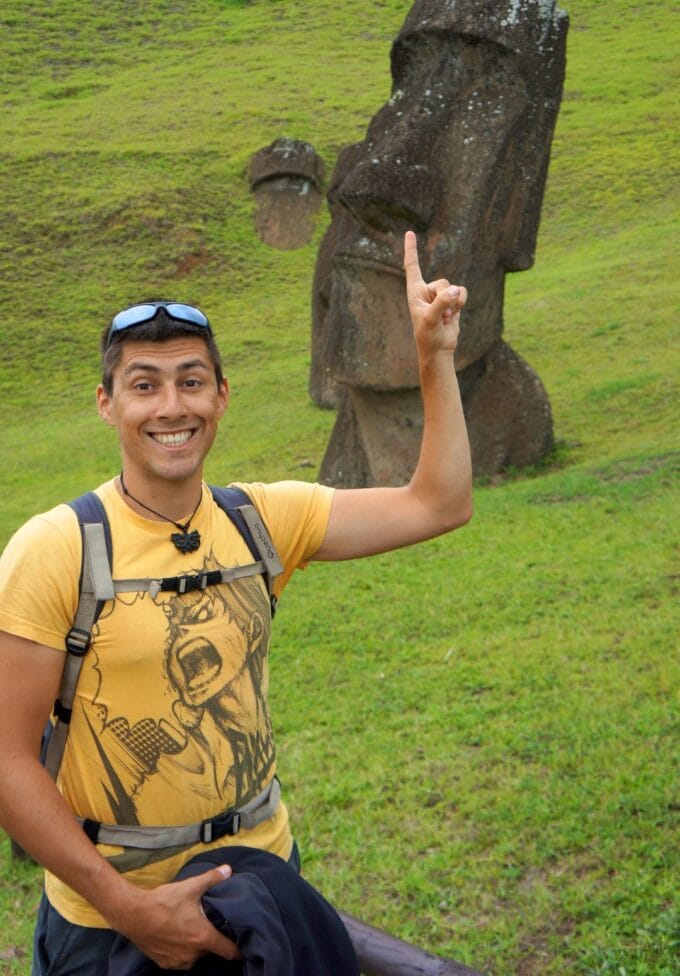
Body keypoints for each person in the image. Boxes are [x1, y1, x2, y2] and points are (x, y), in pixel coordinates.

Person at [0, 231, 472, 975]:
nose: (171, 407)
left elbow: (439, 503)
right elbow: (6, 759)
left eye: (191, 381)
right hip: (108, 920)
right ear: (106, 403)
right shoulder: (54, 548)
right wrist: (132, 910)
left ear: (221, 395)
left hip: (265, 884)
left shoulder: (260, 520)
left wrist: (433, 358)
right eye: (144, 384)